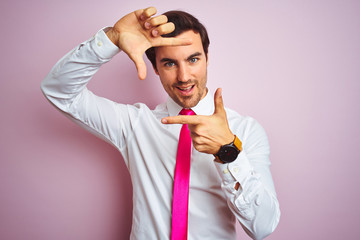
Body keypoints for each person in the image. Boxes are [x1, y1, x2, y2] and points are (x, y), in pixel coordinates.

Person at [41, 6, 280, 240]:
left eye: (193, 59)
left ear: (207, 58)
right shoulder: (133, 124)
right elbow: (59, 91)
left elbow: (262, 227)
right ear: (155, 67)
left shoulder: (246, 130)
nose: (184, 76)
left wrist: (228, 152)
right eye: (169, 63)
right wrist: (111, 39)